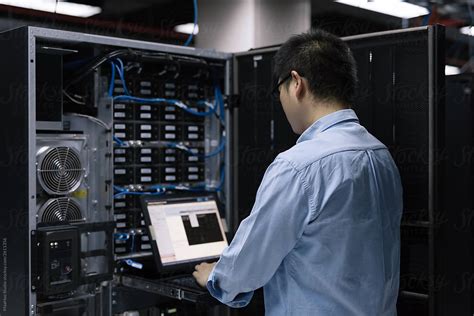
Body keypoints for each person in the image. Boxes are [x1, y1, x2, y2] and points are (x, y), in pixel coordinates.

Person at [192, 29, 402, 316]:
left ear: (296, 83)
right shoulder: (380, 155)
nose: (280, 101)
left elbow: (245, 268)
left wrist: (215, 277)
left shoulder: (298, 166)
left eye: (278, 90)